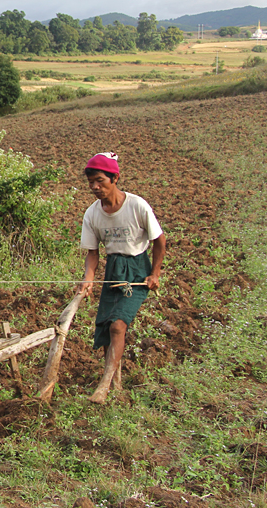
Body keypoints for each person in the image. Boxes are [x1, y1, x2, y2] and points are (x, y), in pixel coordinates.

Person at [76, 152, 166, 404]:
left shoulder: (137, 205)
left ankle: (103, 386)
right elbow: (93, 254)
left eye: (100, 181)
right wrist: (89, 278)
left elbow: (159, 241)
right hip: (113, 268)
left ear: (115, 178)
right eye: (91, 182)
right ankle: (117, 385)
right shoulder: (92, 214)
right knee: (107, 326)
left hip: (136, 268)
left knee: (118, 325)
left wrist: (155, 273)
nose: (94, 187)